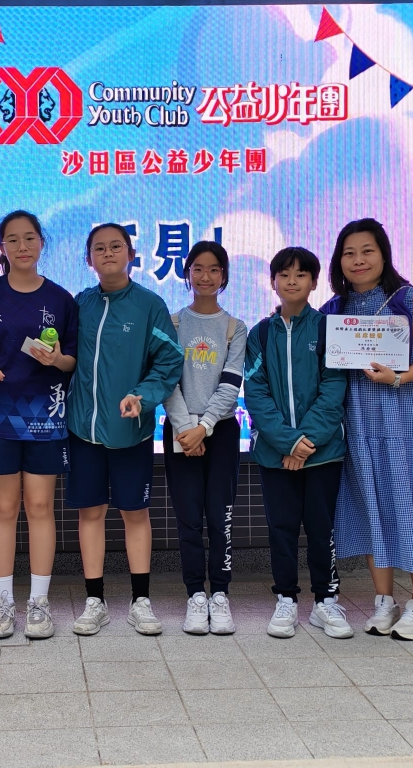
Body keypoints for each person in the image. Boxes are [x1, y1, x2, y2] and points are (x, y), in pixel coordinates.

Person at [323, 218, 413, 640]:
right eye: (349, 253)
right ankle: (384, 601)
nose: (358, 260)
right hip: (362, 428)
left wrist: (398, 377)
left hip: (411, 424)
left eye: (367, 251)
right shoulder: (334, 310)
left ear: (383, 254)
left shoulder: (406, 299)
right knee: (374, 509)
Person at [0, 211, 78, 640]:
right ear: (2, 247)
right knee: (4, 509)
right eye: (13, 239)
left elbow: (72, 361)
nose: (22, 246)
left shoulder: (61, 299)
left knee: (41, 508)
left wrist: (56, 359)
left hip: (46, 418)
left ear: (42, 243)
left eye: (30, 238)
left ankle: (39, 604)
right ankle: (3, 603)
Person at [66, 223, 184, 636]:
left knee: (135, 512)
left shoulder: (149, 305)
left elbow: (169, 361)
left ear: (132, 254)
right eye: (99, 248)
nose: (108, 253)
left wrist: (142, 396)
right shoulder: (79, 305)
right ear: (89, 259)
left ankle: (141, 601)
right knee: (91, 513)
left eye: (116, 246)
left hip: (131, 430)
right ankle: (94, 601)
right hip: (83, 430)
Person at [244, 247, 350, 639]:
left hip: (323, 455)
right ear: (273, 281)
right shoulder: (260, 334)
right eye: (284, 274)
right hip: (275, 455)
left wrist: (306, 442)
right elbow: (256, 393)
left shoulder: (328, 329)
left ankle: (326, 601)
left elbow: (334, 388)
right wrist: (289, 444)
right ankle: (286, 599)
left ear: (314, 282)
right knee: (282, 528)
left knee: (322, 529)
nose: (292, 281)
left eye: (301, 274)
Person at [162, 241, 246, 635]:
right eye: (198, 268)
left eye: (214, 269)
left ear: (224, 276)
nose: (205, 276)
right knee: (189, 517)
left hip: (221, 430)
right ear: (187, 273)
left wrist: (204, 426)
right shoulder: (173, 323)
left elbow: (231, 383)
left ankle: (220, 594)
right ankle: (196, 594)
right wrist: (185, 428)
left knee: (219, 515)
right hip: (181, 431)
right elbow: (167, 379)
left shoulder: (234, 327)